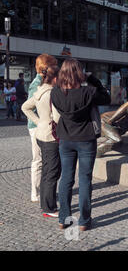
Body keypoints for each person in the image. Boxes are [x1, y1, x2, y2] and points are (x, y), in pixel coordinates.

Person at [51, 58, 111, 231]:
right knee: (85, 180)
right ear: (80, 73)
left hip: (66, 140)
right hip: (86, 139)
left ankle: (64, 219)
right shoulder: (89, 92)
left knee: (66, 179)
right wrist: (91, 78)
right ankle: (84, 221)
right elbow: (106, 97)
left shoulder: (55, 93)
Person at [22, 65, 61, 218]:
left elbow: (25, 107)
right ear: (56, 78)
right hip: (51, 136)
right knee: (52, 172)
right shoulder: (52, 93)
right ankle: (49, 208)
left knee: (46, 170)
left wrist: (39, 122)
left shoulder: (39, 91)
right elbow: (57, 118)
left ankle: (45, 203)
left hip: (41, 134)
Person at [26, 54, 58, 203]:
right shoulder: (37, 83)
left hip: (42, 127)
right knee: (38, 160)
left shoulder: (42, 81)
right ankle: (36, 192)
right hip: (38, 128)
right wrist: (39, 122)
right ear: (47, 67)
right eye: (53, 65)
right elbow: (29, 106)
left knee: (43, 160)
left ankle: (43, 191)